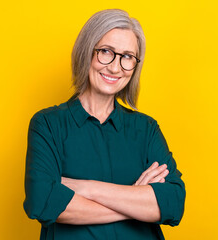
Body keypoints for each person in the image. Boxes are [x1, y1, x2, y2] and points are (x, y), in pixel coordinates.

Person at [23, 9, 186, 240]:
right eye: (106, 52)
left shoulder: (146, 130)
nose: (115, 67)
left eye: (127, 56)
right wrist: (137, 201)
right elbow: (43, 202)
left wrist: (87, 188)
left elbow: (173, 203)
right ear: (87, 52)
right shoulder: (48, 124)